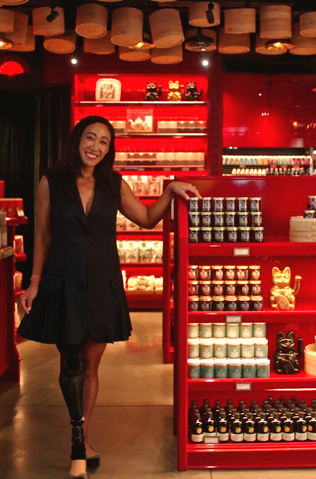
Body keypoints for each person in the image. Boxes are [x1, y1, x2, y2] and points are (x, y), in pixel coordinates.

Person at [17, 115, 199, 479]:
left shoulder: (113, 183)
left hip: (102, 282)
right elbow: (42, 236)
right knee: (70, 365)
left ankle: (82, 439)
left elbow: (147, 219)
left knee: (91, 363)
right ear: (77, 140)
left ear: (109, 149)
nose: (96, 146)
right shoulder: (51, 181)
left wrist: (169, 190)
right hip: (63, 280)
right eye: (90, 138)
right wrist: (34, 281)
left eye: (103, 141)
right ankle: (77, 444)